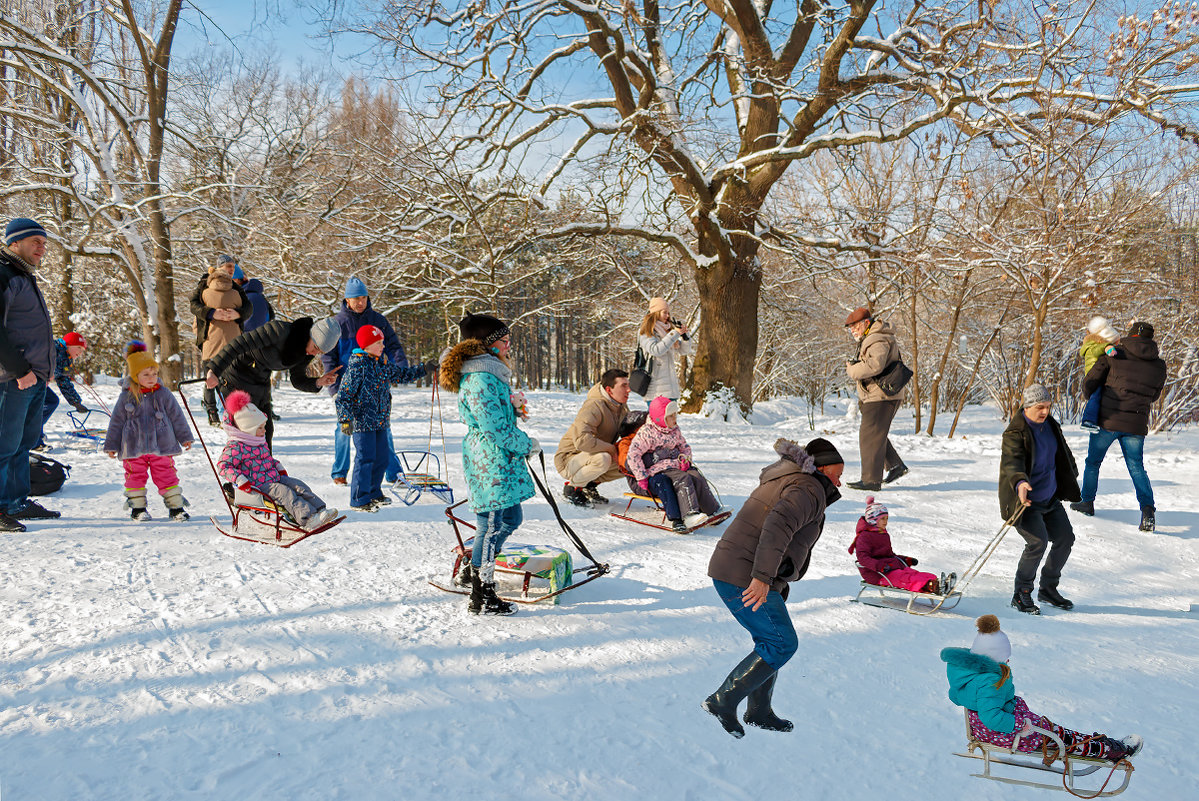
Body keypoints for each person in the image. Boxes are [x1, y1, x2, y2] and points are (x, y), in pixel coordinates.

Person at [703, 437, 844, 738]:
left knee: (770, 641)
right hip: (743, 573)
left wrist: (774, 579)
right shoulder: (808, 487)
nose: (840, 481)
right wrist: (763, 577)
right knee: (781, 642)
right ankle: (722, 700)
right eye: (837, 473)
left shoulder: (794, 481)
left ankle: (759, 711)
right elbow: (778, 525)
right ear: (820, 468)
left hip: (739, 568)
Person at [440, 313, 539, 615]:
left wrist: (514, 408)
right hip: (489, 459)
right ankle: (483, 591)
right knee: (491, 525)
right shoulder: (480, 378)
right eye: (504, 340)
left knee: (511, 519)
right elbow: (493, 428)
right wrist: (526, 443)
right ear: (486, 344)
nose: (509, 345)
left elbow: (497, 417)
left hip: (499, 458)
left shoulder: (490, 373)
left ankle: (473, 568)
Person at [941, 614, 1143, 761]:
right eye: (1004, 657)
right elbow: (992, 717)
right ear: (993, 657)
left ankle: (1097, 742)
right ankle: (1110, 751)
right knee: (1053, 736)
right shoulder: (989, 681)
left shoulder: (968, 673)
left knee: (1052, 730)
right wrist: (1020, 725)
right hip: (1005, 733)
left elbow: (961, 698)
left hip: (994, 727)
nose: (1008, 660)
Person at [1072, 321, 1167, 532]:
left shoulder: (1114, 354)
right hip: (1136, 422)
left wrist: (1094, 397)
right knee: (1136, 467)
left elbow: (1090, 382)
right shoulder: (1159, 365)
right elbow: (1154, 396)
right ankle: (1148, 511)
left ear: (1130, 335)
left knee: (1093, 462)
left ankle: (1087, 502)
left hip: (1108, 419)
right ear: (1150, 339)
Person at [322, 277, 412, 487]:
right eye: (355, 298)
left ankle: (393, 473)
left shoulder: (378, 321)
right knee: (343, 429)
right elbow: (328, 357)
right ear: (347, 299)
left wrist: (401, 366)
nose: (360, 302)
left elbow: (393, 346)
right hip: (348, 387)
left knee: (383, 430)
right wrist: (334, 388)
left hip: (375, 386)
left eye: (363, 297)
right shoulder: (337, 324)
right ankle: (339, 472)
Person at [0, 217, 60, 532]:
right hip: (12, 378)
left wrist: (43, 370)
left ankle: (15, 502)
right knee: (4, 444)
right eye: (35, 241)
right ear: (14, 242)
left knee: (23, 443)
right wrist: (20, 369)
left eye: (44, 242)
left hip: (33, 378)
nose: (42, 247)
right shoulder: (3, 273)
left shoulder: (23, 275)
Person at [1000, 383, 1081, 615]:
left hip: (1050, 497)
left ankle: (1048, 588)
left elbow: (1063, 453)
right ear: (1027, 407)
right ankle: (1022, 593)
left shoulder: (1051, 426)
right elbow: (1012, 461)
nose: (1045, 411)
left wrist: (1071, 474)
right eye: (1040, 407)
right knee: (1037, 543)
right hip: (1025, 503)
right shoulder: (1015, 433)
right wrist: (1020, 482)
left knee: (1065, 538)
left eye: (1048, 406)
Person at [335, 324, 433, 511]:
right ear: (367, 345)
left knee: (381, 458)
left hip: (380, 421)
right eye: (378, 343)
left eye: (382, 342)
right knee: (365, 458)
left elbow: (403, 375)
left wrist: (424, 369)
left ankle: (373, 492)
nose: (382, 346)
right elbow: (343, 396)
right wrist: (345, 419)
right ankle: (359, 498)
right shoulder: (357, 367)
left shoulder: (381, 365)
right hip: (363, 423)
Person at [204, 316, 342, 449]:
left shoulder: (305, 352)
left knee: (266, 432)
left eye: (320, 352)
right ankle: (239, 470)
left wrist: (318, 381)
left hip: (261, 383)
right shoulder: (278, 331)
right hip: (237, 378)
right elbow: (239, 344)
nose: (314, 353)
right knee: (247, 433)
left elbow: (297, 379)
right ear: (311, 335)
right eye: (316, 347)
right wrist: (214, 370)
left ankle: (264, 471)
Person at [218, 390, 338, 531]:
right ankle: (308, 518)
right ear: (247, 429)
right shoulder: (236, 446)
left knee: (298, 485)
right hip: (257, 486)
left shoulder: (258, 441)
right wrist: (239, 479)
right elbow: (223, 466)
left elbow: (267, 459)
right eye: (260, 428)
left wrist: (277, 465)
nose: (264, 431)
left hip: (273, 478)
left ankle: (320, 511)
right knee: (285, 493)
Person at [103, 343, 194, 521]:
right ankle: (138, 508)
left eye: (154, 374)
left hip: (162, 445)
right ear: (135, 376)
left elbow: (177, 416)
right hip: (132, 447)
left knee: (167, 475)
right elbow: (116, 422)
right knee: (134, 476)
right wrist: (112, 445)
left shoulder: (164, 394)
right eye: (146, 374)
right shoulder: (126, 396)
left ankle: (176, 507)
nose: (152, 378)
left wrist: (185, 438)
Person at [626, 395, 722, 531]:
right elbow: (633, 455)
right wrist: (641, 476)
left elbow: (685, 447)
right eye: (670, 416)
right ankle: (689, 514)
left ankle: (712, 510)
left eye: (675, 415)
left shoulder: (675, 430)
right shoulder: (647, 433)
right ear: (660, 418)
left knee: (695, 475)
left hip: (676, 465)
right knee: (682, 478)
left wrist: (685, 460)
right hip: (659, 469)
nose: (674, 419)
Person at [843, 307, 908, 491]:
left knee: (869, 435)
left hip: (881, 396)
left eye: (855, 326)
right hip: (880, 395)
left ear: (866, 323)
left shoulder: (876, 337)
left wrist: (852, 370)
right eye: (850, 328)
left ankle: (871, 481)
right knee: (875, 433)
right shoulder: (874, 336)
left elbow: (875, 365)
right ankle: (896, 466)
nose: (852, 330)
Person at [190, 254, 251, 426]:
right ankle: (214, 411)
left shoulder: (236, 288)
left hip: (219, 340)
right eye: (227, 266)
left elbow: (248, 308)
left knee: (217, 376)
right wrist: (211, 313)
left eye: (232, 267)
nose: (231, 270)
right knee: (213, 377)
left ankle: (224, 412)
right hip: (211, 337)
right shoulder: (204, 283)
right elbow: (193, 305)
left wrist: (238, 314)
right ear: (219, 267)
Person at [849, 495, 955, 594]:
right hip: (876, 574)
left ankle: (940, 584)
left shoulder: (883, 534)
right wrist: (880, 566)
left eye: (886, 518)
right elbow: (863, 558)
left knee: (914, 573)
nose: (885, 522)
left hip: (890, 567)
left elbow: (889, 555)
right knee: (906, 578)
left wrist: (905, 560)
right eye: (882, 519)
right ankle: (932, 586)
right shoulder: (864, 537)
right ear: (873, 519)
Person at [554, 368, 630, 506]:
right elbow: (581, 440)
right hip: (570, 459)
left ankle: (589, 485)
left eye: (628, 385)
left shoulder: (621, 407)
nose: (628, 390)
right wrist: (610, 449)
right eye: (623, 386)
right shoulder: (594, 405)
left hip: (591, 456)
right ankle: (572, 488)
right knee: (603, 458)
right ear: (609, 389)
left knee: (631, 460)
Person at [37, 331, 89, 451]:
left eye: (83, 350)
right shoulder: (53, 348)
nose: (80, 353)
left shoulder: (66, 358)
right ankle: (34, 441)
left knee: (52, 401)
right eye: (79, 348)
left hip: (41, 384)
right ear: (69, 344)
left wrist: (76, 402)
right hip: (31, 381)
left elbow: (63, 381)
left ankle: (35, 432)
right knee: (37, 407)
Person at [637, 296, 694, 400]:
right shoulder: (647, 331)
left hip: (671, 389)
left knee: (671, 417)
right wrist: (674, 333)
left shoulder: (667, 331)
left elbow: (684, 351)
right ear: (656, 312)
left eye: (668, 313)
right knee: (658, 417)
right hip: (656, 391)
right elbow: (656, 350)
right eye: (664, 312)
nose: (667, 316)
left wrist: (685, 337)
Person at [1079, 316, 1119, 430]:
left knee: (1098, 397)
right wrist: (1107, 347)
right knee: (1095, 397)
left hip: (1097, 377)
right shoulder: (1093, 347)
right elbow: (1099, 349)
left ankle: (1094, 420)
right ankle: (1088, 420)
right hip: (1095, 378)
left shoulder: (1092, 345)